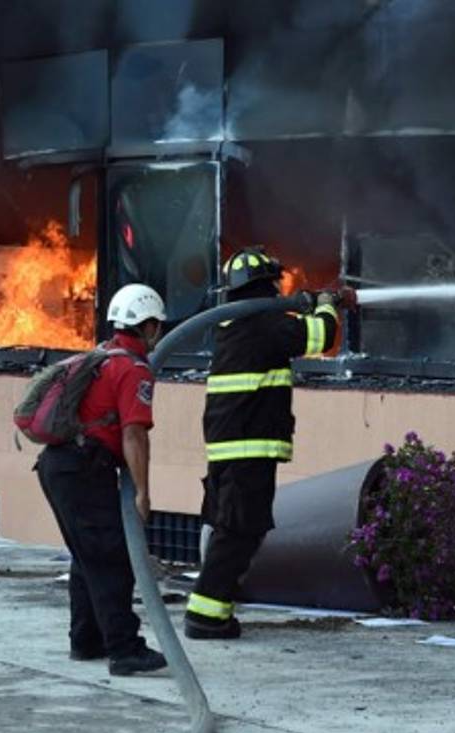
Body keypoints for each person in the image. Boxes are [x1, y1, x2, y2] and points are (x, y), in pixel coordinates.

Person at [184, 246, 357, 639]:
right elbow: (321, 337)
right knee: (239, 530)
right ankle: (206, 615)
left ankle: (216, 606)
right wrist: (329, 305)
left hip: (232, 445)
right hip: (249, 446)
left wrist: (312, 303)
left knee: (235, 527)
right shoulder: (263, 323)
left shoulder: (237, 325)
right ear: (265, 287)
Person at [36, 283, 169, 675]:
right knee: (112, 558)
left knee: (88, 556)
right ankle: (125, 650)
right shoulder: (134, 368)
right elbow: (134, 434)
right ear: (148, 326)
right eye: (156, 326)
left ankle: (86, 639)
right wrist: (143, 491)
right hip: (83, 468)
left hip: (59, 466)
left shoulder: (101, 356)